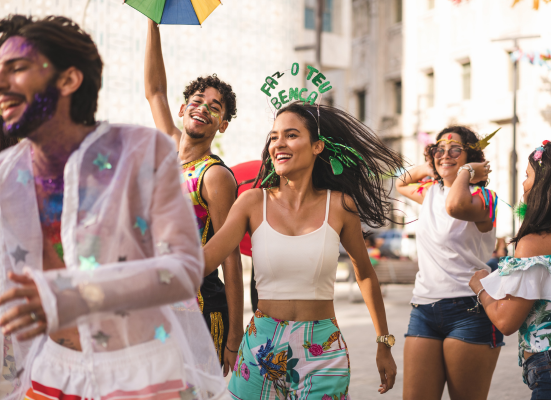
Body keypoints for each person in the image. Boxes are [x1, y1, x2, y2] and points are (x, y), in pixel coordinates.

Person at [0, 15, 224, 399]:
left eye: (16, 68)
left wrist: (68, 292)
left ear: (69, 80)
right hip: (49, 372)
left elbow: (184, 271)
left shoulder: (141, 151)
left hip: (139, 374)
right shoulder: (7, 172)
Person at [201, 102, 400, 398]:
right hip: (260, 345)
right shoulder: (252, 203)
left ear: (317, 146)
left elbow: (366, 274)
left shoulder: (340, 206)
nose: (278, 143)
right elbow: (204, 261)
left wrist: (383, 342)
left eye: (291, 135)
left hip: (322, 349)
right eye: (274, 136)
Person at [144, 19, 243, 374]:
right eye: (197, 100)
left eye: (215, 106)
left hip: (197, 306)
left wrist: (234, 336)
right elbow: (155, 90)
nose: (203, 107)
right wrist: (153, 21)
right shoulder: (169, 147)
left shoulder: (214, 176)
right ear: (184, 108)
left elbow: (230, 257)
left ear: (223, 124)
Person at [469, 141, 551, 400]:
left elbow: (506, 321)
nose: (524, 184)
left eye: (528, 175)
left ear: (548, 184)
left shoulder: (534, 243)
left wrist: (480, 287)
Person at [396, 126, 502, 400]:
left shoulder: (485, 198)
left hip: (469, 309)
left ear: (472, 157)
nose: (446, 155)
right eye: (439, 150)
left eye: (455, 150)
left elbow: (454, 207)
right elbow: (400, 181)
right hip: (423, 308)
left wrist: (466, 173)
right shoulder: (431, 192)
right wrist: (431, 164)